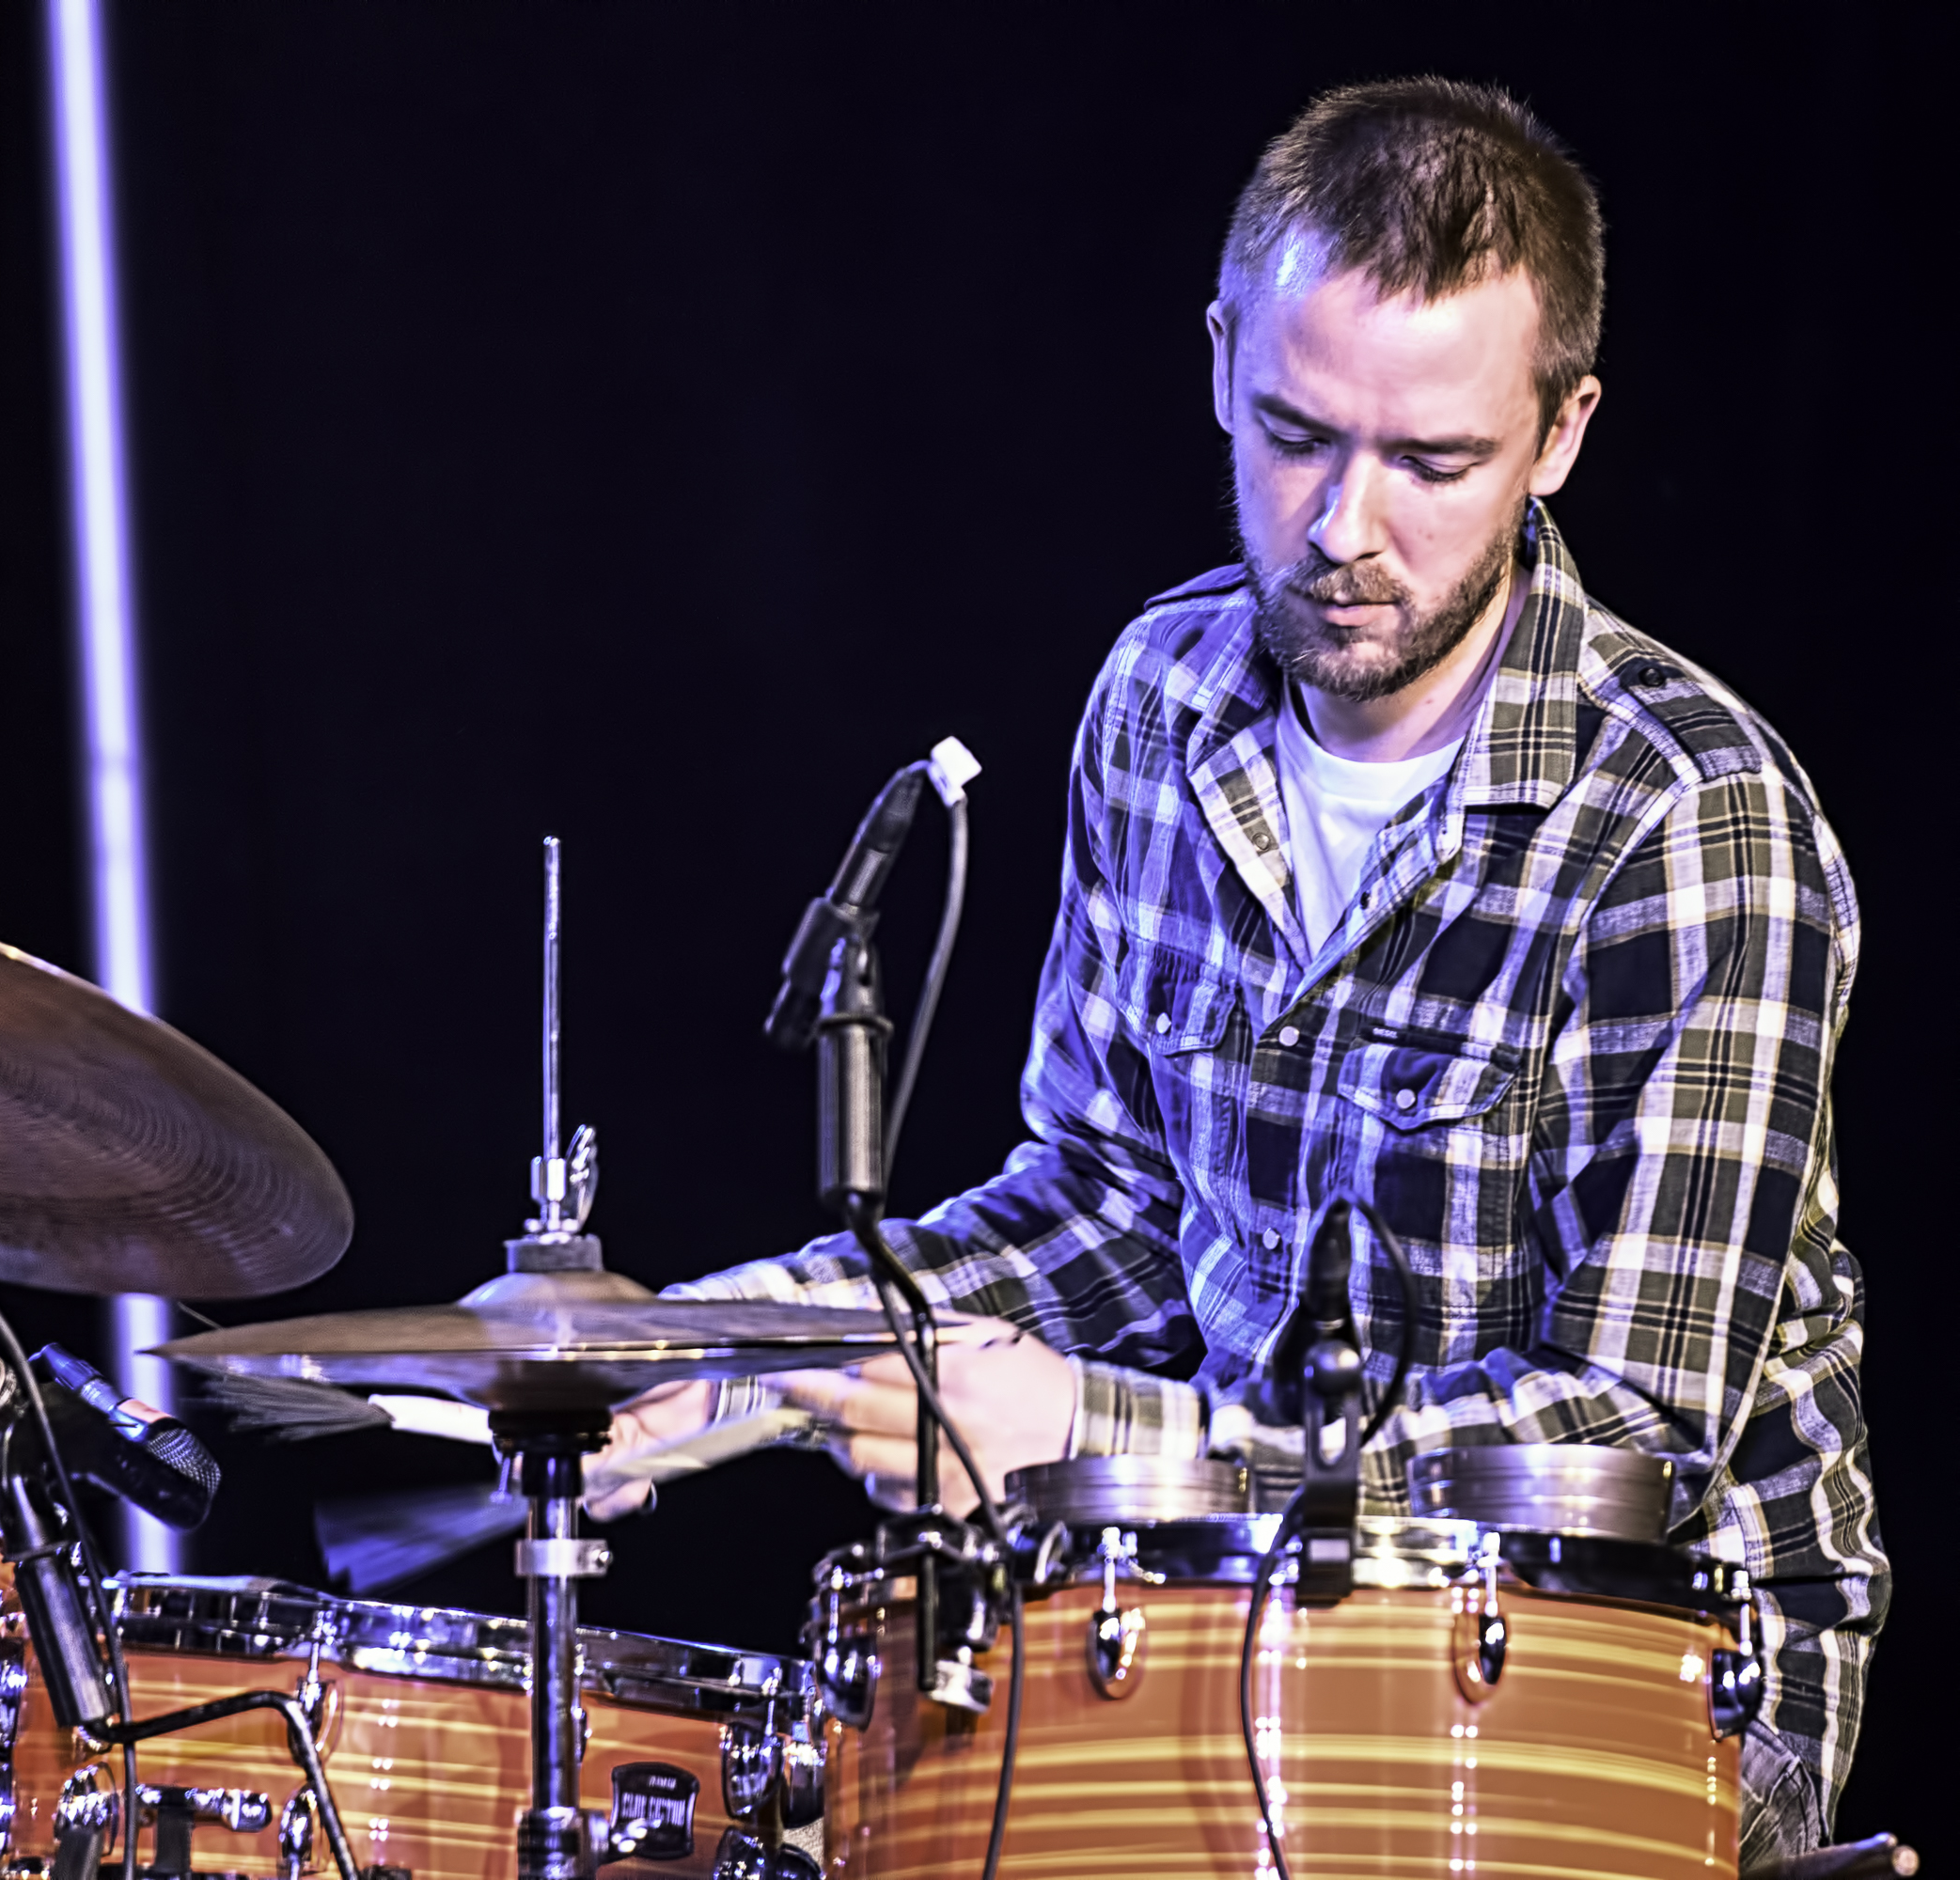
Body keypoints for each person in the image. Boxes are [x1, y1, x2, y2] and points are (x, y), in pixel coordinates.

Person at [597, 77, 1884, 1864]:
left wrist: (1105, 1431)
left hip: (1640, 1664)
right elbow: (1112, 1202)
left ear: (1559, 433)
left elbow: (1628, 1436)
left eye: (1433, 463)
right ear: (1218, 361)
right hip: (1223, 1602)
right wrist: (747, 1344)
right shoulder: (1157, 700)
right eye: (1294, 435)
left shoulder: (1687, 818)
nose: (1344, 528)